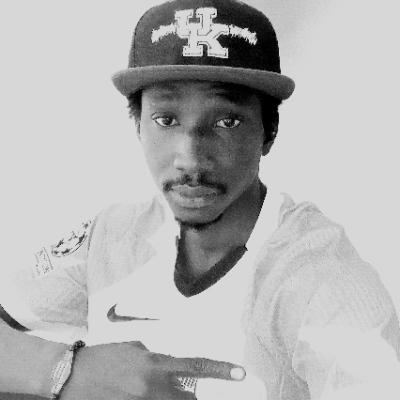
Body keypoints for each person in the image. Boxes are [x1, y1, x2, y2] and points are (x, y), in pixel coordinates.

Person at [1, 0, 400, 399]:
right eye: (166, 120)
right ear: (138, 126)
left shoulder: (321, 278)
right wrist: (64, 371)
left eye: (227, 122)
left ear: (269, 132)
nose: (191, 159)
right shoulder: (112, 233)